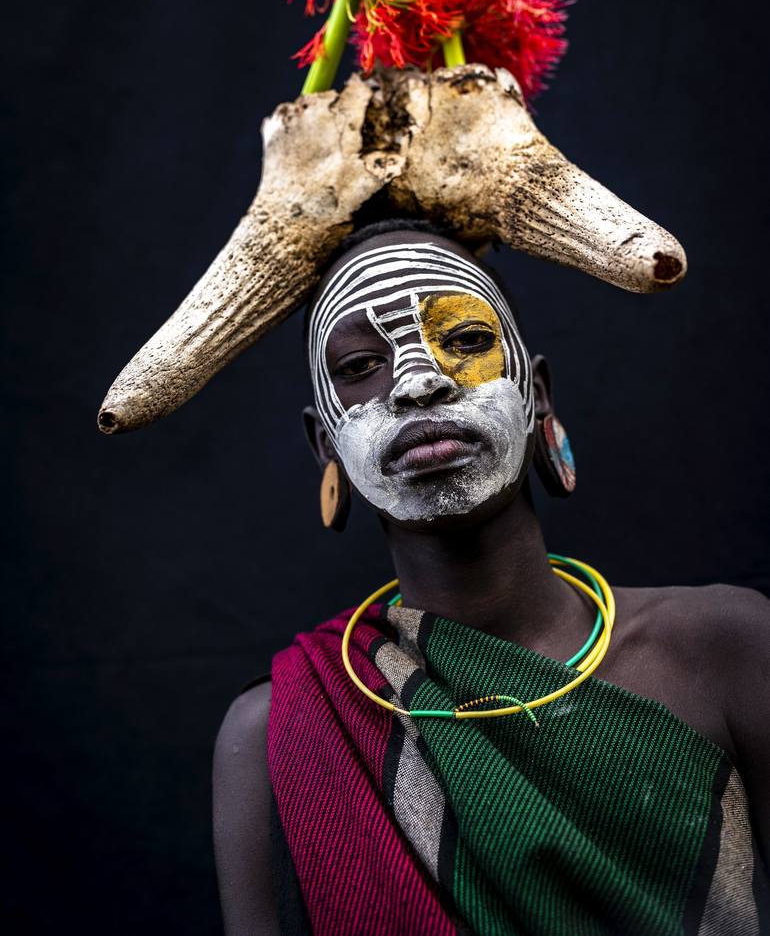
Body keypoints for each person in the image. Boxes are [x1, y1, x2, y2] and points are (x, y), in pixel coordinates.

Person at [212, 219, 770, 936]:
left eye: (468, 339)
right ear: (326, 441)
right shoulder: (274, 733)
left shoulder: (727, 650)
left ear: (536, 393)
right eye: (358, 367)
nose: (417, 382)